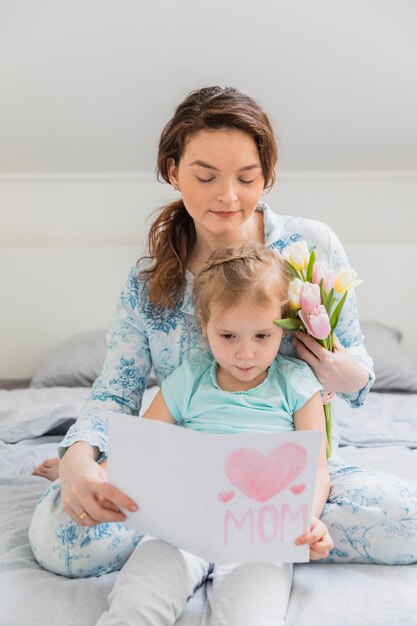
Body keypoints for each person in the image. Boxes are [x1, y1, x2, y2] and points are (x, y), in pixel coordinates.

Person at [29, 85, 416, 610]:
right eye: (205, 176)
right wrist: (79, 457)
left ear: (268, 175)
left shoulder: (310, 248)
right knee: (64, 543)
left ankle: (248, 533)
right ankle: (200, 531)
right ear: (172, 171)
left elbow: (359, 370)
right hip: (178, 474)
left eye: (247, 178)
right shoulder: (149, 281)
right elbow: (115, 391)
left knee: (407, 521)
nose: (227, 196)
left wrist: (333, 368)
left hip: (288, 478)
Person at [93, 243, 332, 626]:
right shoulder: (191, 376)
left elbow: (317, 469)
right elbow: (145, 444)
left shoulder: (297, 385)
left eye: (262, 336)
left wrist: (307, 518)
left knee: (251, 617)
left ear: (284, 325)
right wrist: (98, 470)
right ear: (204, 323)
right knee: (135, 603)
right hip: (180, 527)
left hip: (260, 532)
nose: (245, 354)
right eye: (228, 336)